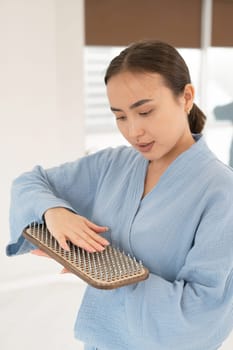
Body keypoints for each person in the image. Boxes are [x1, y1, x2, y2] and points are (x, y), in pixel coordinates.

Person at [6, 40, 233, 350]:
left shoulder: (221, 191)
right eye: (120, 116)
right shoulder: (113, 163)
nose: (133, 131)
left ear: (186, 97)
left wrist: (106, 269)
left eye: (145, 111)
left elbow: (202, 312)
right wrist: (55, 213)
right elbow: (30, 183)